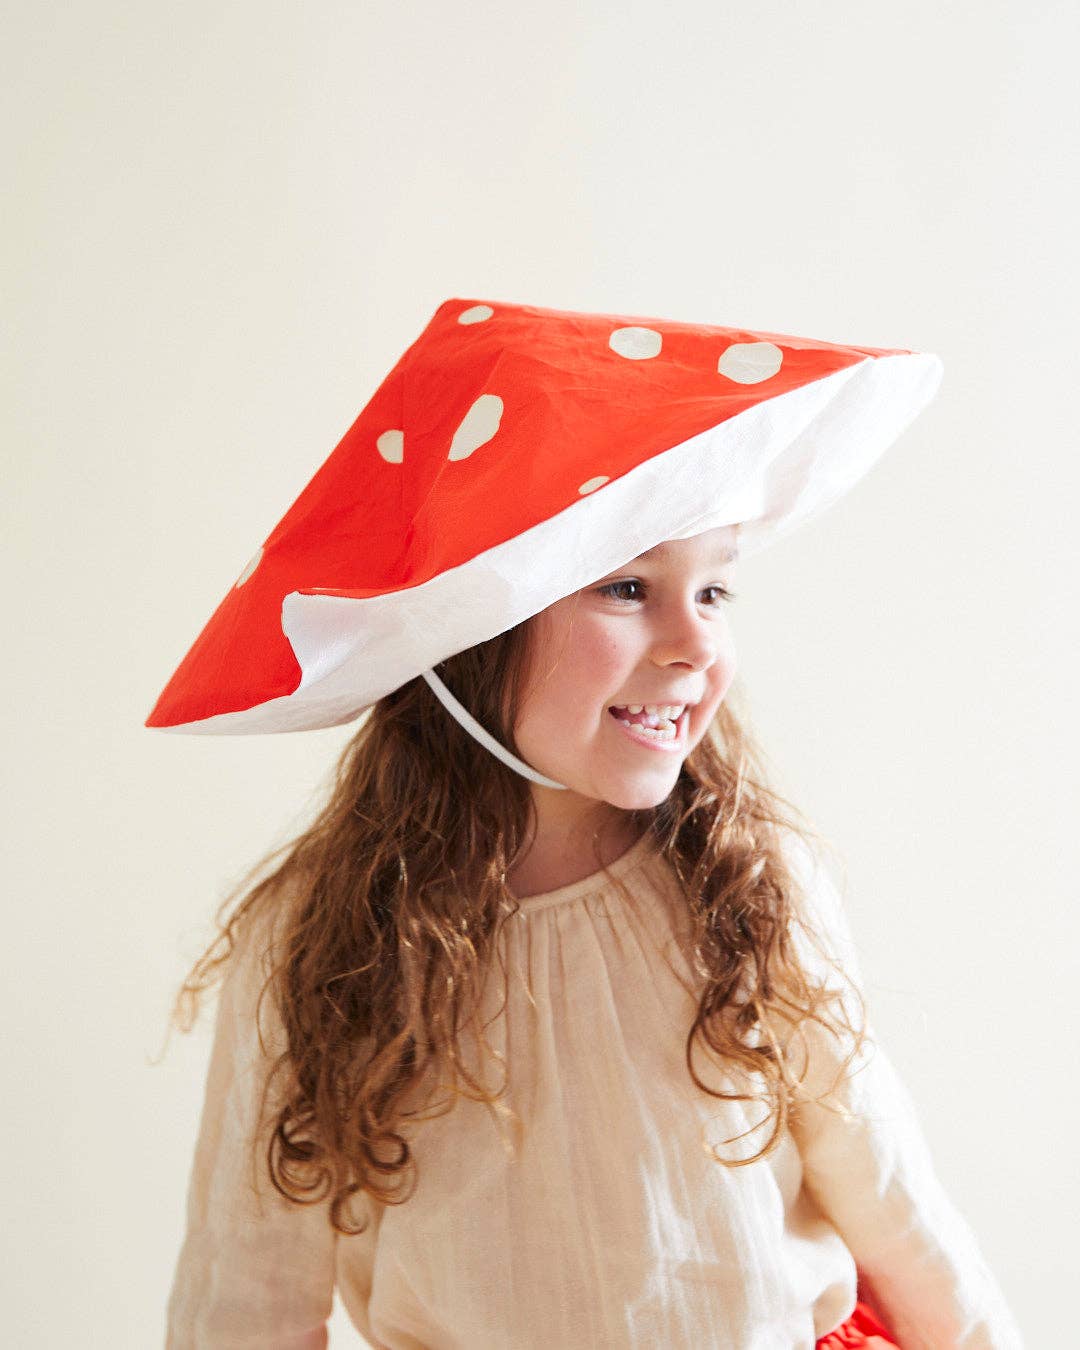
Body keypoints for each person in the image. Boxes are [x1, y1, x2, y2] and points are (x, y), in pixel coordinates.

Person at [152, 297, 1025, 1348]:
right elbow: (243, 1296)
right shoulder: (314, 944)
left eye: (713, 592)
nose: (693, 645)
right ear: (471, 626)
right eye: (625, 588)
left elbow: (896, 1206)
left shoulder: (750, 887)